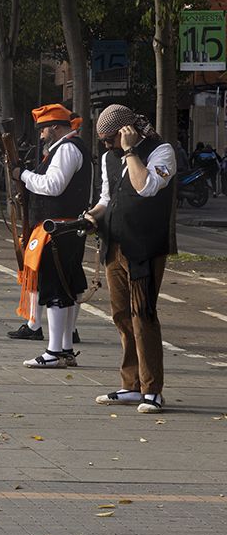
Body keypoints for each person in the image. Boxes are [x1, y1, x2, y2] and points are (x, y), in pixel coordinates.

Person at [85, 104, 176, 413]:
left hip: (144, 247)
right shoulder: (110, 158)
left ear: (128, 130)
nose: (107, 146)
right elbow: (107, 199)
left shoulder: (160, 151)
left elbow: (146, 186)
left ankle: (152, 390)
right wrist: (91, 217)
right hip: (115, 245)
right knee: (122, 316)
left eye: (111, 139)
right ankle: (130, 384)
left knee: (143, 315)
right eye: (104, 141)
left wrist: (129, 152)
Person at [13, 104, 91, 369]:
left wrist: (23, 176)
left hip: (59, 230)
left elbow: (53, 186)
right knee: (66, 289)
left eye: (44, 129)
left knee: (56, 289)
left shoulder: (67, 149)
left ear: (57, 127)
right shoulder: (68, 147)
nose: (42, 135)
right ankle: (65, 349)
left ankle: (54, 352)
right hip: (64, 228)